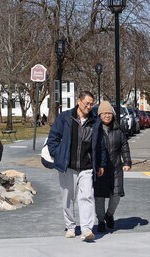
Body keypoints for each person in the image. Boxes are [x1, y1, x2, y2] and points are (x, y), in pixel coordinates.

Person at [46, 91, 106, 242]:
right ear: (79, 101)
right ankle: (70, 226)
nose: (89, 106)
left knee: (87, 196)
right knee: (68, 197)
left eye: (92, 104)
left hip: (86, 166)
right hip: (68, 165)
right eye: (87, 103)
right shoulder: (65, 117)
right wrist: (58, 153)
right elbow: (53, 138)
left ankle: (86, 229)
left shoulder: (95, 121)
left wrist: (101, 163)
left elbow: (100, 144)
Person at [94, 100, 132, 232]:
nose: (106, 116)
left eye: (109, 113)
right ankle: (100, 220)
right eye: (103, 113)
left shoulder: (118, 129)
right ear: (99, 115)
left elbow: (124, 147)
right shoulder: (95, 130)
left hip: (116, 168)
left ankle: (109, 215)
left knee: (116, 195)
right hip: (100, 169)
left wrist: (127, 162)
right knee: (99, 196)